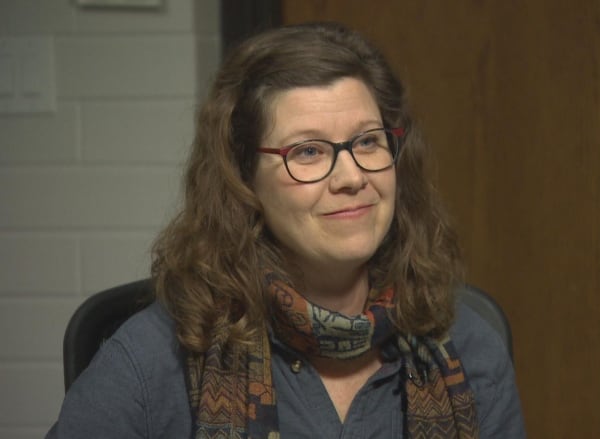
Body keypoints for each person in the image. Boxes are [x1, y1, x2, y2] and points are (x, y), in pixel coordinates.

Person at [46, 22, 525, 438]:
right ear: (244, 178)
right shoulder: (152, 360)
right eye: (308, 152)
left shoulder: (469, 347)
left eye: (367, 142)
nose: (352, 177)